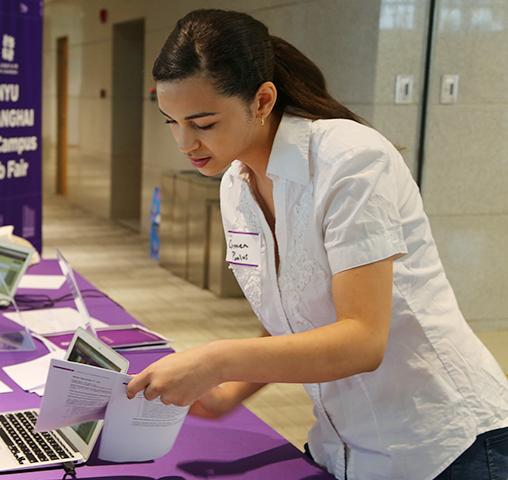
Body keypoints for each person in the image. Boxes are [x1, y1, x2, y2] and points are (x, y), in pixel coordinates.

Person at [126, 9, 508, 480]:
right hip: (342, 446)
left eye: (203, 123)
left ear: (262, 100)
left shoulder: (350, 160)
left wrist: (216, 361)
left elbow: (362, 339)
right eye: (172, 121)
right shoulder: (235, 183)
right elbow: (300, 315)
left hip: (443, 445)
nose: (185, 142)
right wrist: (229, 392)